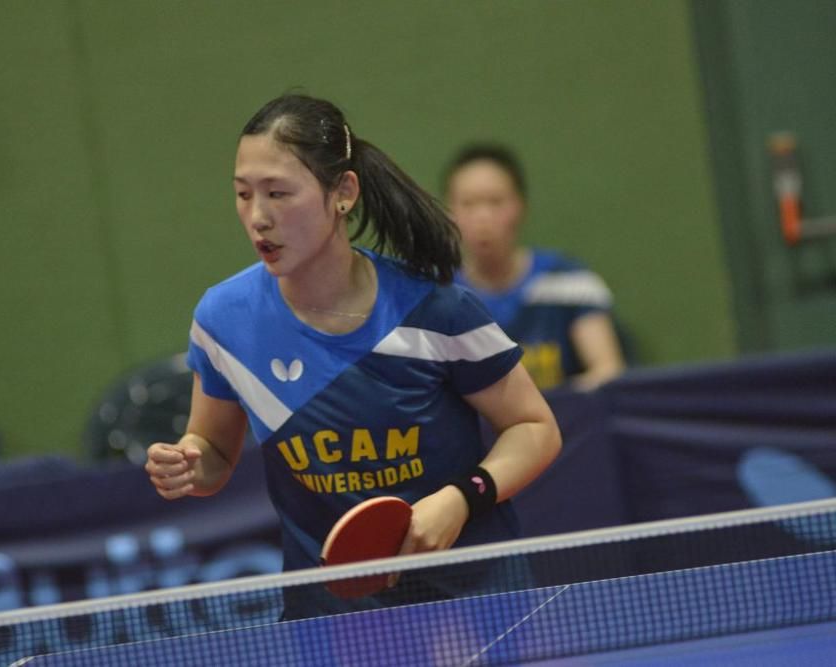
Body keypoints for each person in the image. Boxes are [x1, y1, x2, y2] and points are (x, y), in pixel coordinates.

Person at [146, 95, 561, 614]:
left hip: (472, 597)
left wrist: (462, 496)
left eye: (278, 193)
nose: (258, 217)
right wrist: (189, 462)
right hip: (331, 614)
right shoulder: (224, 322)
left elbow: (534, 427)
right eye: (243, 194)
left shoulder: (433, 309)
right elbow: (214, 451)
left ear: (342, 193)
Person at [444, 144, 625, 391]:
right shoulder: (438, 295)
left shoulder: (569, 281)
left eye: (495, 202)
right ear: (449, 213)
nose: (483, 217)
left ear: (520, 206)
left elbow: (607, 370)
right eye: (468, 203)